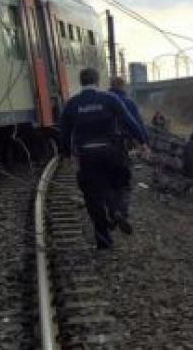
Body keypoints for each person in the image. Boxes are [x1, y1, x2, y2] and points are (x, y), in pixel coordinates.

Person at [59, 68, 149, 249]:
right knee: (121, 185)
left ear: (81, 82)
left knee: (93, 197)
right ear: (98, 80)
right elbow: (129, 121)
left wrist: (65, 153)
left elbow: (64, 131)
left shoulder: (71, 104)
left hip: (86, 155)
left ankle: (103, 239)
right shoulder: (110, 99)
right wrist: (142, 142)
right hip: (112, 152)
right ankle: (118, 210)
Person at [107, 75, 146, 223]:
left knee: (109, 182)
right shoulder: (128, 102)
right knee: (124, 182)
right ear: (123, 86)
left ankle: (112, 210)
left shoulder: (103, 100)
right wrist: (144, 143)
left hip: (104, 148)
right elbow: (137, 124)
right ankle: (122, 212)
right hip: (122, 148)